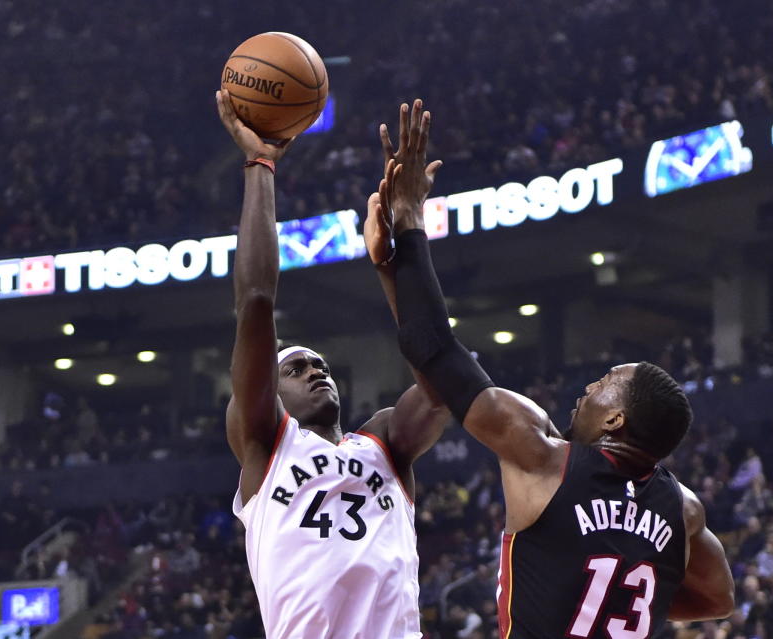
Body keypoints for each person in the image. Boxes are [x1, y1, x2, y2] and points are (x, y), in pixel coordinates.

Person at [363, 99, 735, 638]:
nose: (589, 385)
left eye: (605, 385)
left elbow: (436, 352)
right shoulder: (684, 510)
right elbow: (718, 598)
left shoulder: (540, 456)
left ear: (616, 422)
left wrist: (408, 222)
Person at [215, 89, 450, 639]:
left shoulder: (386, 440)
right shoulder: (265, 443)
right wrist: (260, 166)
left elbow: (443, 380)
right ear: (270, 394)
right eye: (295, 369)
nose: (315, 371)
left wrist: (398, 255)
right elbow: (255, 302)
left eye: (318, 365)